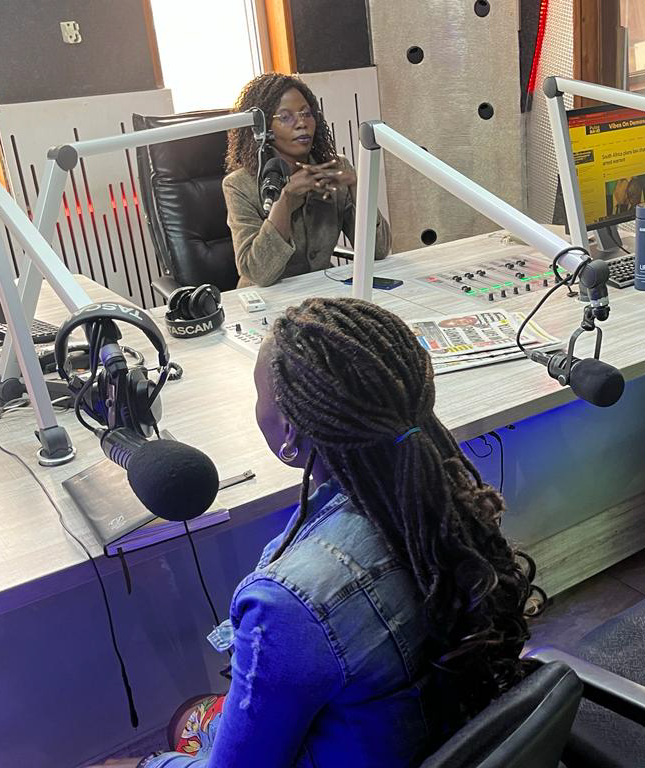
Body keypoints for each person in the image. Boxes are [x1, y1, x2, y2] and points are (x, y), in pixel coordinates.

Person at [118, 298, 530, 767]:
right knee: (189, 717)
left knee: (158, 740)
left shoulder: (289, 602)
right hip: (432, 738)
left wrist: (147, 764)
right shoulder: (447, 496)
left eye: (258, 395)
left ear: (289, 432)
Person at [223, 74, 391, 288]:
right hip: (267, 298)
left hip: (323, 290)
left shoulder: (335, 168)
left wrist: (357, 186)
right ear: (263, 129)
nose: (301, 123)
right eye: (286, 117)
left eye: (307, 114)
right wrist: (285, 200)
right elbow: (259, 274)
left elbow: (379, 251)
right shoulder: (240, 185)